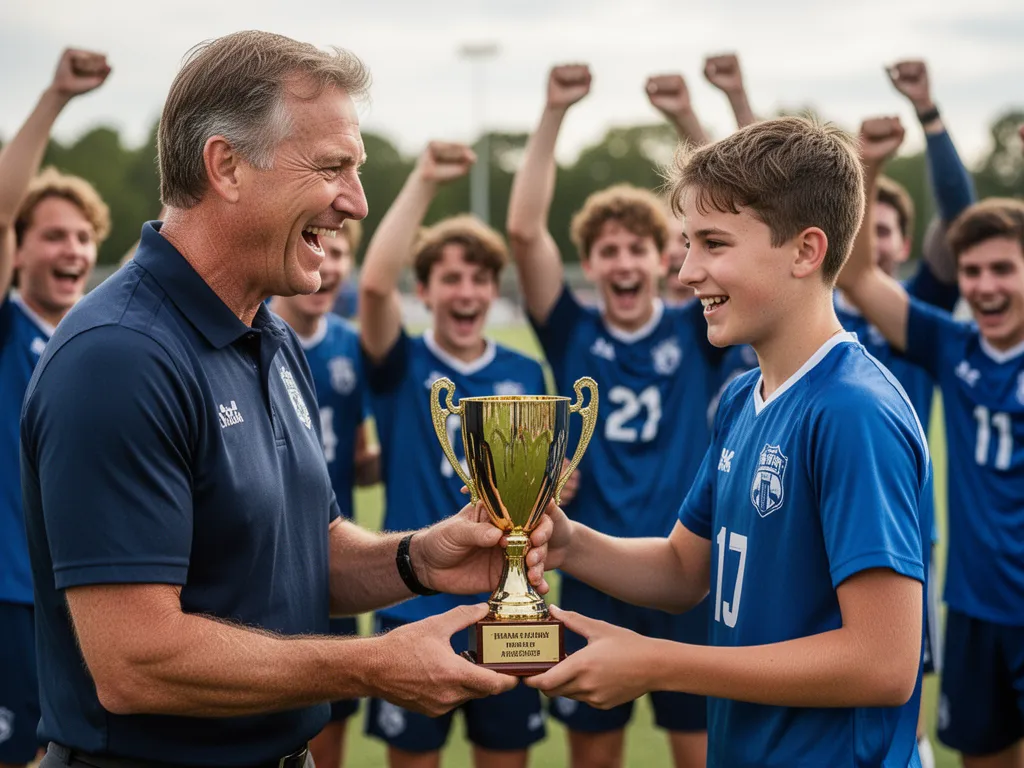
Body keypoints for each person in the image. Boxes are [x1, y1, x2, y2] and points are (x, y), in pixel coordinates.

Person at [21, 31, 553, 768]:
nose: (356, 203)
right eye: (333, 167)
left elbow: (306, 553)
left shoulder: (270, 336)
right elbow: (135, 661)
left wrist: (418, 559)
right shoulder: (118, 357)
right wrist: (369, 666)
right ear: (227, 166)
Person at [526, 115, 929, 767]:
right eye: (687, 243)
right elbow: (687, 570)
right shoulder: (745, 396)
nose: (686, 271)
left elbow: (882, 664)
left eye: (713, 243)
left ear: (805, 251)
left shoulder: (852, 410)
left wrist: (660, 662)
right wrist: (572, 544)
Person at [508, 64, 759, 768]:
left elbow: (739, 213)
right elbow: (526, 233)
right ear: (588, 262)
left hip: (685, 566)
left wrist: (689, 118)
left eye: (637, 249)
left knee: (703, 753)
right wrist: (553, 108)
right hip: (593, 567)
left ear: (665, 258)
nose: (622, 262)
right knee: (594, 756)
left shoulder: (696, 331)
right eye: (606, 250)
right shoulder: (572, 331)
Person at [358, 141, 549, 768]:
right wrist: (423, 180)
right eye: (450, 278)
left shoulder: (523, 371)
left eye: (479, 278)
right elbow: (374, 284)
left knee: (505, 756)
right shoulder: (402, 363)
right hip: (412, 604)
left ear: (494, 290)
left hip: (503, 601)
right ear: (426, 289)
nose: (466, 291)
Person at [838, 149, 1024, 768]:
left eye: (1004, 268)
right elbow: (860, 278)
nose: (985, 286)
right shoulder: (953, 343)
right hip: (974, 606)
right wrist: (865, 169)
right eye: (972, 272)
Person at [841, 61, 977, 759]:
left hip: (899, 532)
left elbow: (966, 221)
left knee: (901, 711)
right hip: (815, 529)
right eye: (872, 225)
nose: (881, 238)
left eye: (891, 228)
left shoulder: (916, 316)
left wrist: (930, 115)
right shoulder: (810, 323)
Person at [0, 48, 110, 768]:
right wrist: (55, 98)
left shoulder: (108, 341)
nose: (70, 249)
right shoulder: (8, 328)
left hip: (100, 602)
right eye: (52, 234)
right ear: (16, 251)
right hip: (12, 599)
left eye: (82, 236)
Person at [270, 216, 377, 768]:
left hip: (335, 563)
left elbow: (359, 459)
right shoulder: (255, 334)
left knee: (327, 731)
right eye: (323, 251)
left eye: (342, 255)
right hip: (266, 561)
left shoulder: (350, 346)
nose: (331, 264)